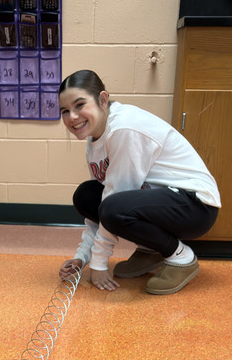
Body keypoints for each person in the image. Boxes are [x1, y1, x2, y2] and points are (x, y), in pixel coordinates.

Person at [57, 70, 221, 294]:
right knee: (87, 195)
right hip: (166, 201)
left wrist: (99, 264)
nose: (72, 117)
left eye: (79, 105)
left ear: (102, 100)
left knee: (114, 208)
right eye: (65, 111)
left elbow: (113, 203)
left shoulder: (124, 128)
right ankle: (151, 250)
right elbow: (101, 204)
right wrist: (82, 257)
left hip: (196, 206)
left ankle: (182, 258)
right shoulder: (94, 139)